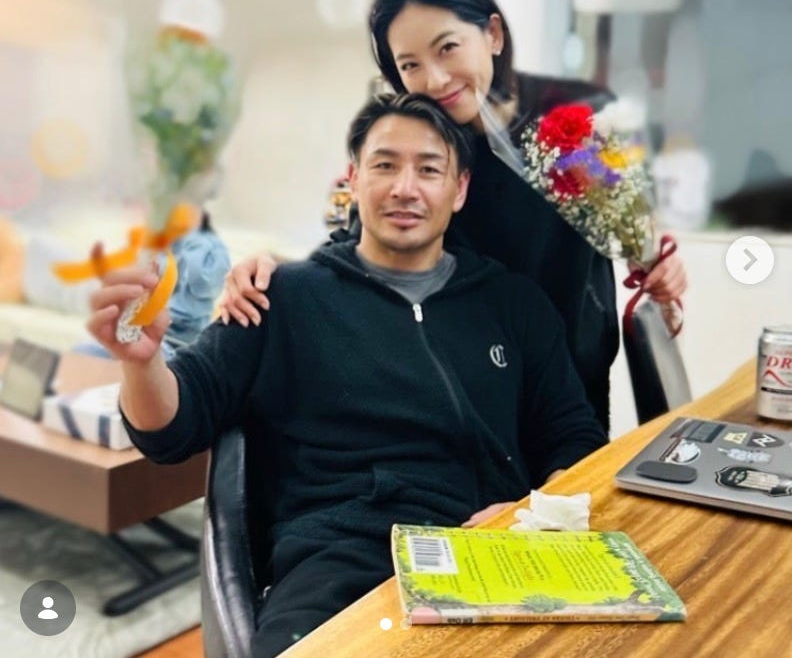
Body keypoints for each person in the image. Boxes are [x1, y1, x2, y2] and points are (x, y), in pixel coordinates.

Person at [88, 93, 606, 658]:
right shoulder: (281, 297)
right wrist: (140, 362)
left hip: (493, 552)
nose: (405, 188)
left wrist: (529, 515)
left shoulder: (513, 303)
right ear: (354, 179)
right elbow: (172, 426)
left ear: (459, 190)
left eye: (428, 170)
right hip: (342, 565)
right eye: (385, 165)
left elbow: (574, 439)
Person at [220, 0, 687, 433]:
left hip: (568, 378)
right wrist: (274, 276)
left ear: (493, 34)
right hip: (465, 385)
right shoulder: (421, 143)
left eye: (447, 48)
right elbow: (360, 244)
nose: (436, 80)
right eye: (410, 66)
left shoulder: (580, 117)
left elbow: (630, 221)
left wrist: (660, 264)